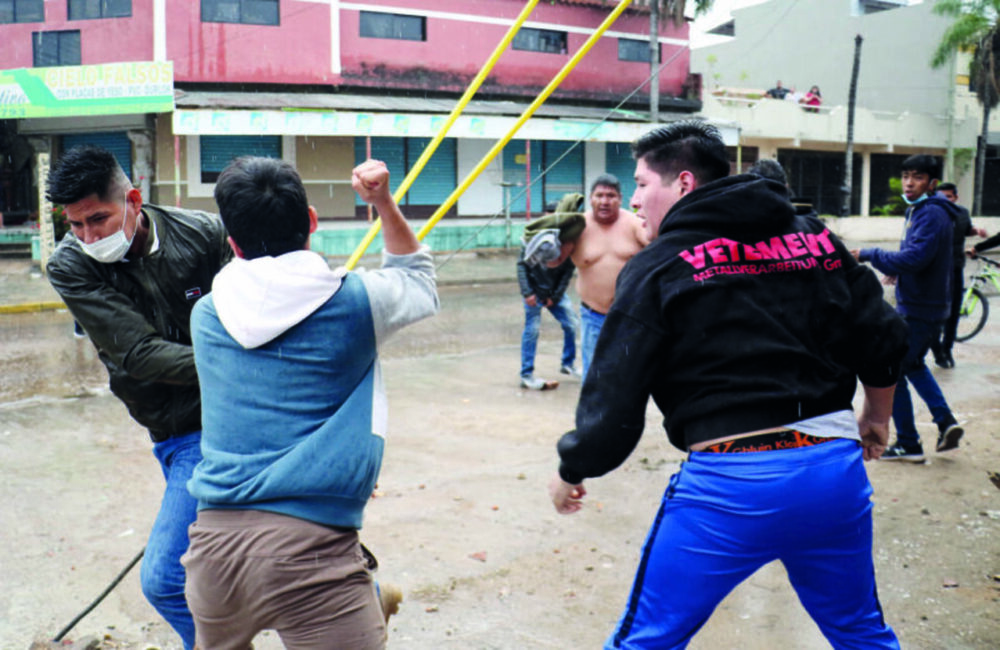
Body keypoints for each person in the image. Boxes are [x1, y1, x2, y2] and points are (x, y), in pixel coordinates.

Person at [549, 120, 907, 648]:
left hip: (729, 487)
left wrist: (575, 465)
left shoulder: (658, 266)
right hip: (832, 473)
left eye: (643, 183)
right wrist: (877, 417)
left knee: (647, 638)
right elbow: (883, 335)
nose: (636, 200)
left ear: (684, 184)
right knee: (860, 631)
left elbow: (614, 393)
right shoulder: (815, 240)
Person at [182, 157, 438, 648]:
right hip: (315, 554)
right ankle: (369, 598)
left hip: (214, 553)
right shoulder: (358, 301)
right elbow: (418, 279)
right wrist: (382, 201)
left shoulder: (207, 315)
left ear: (232, 242)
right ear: (313, 221)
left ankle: (371, 598)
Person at [45, 145, 232, 649]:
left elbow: (256, 312)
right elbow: (141, 354)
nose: (88, 237)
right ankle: (360, 598)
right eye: (75, 225)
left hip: (232, 419)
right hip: (175, 433)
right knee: (254, 544)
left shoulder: (202, 235)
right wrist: (238, 365)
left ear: (133, 199)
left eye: (98, 219)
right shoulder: (70, 265)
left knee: (168, 580)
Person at [853, 155, 965, 462]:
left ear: (932, 183)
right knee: (912, 364)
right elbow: (916, 257)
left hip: (922, 308)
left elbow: (916, 258)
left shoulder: (932, 213)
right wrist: (898, 269)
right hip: (923, 303)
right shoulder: (920, 210)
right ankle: (945, 422)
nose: (908, 183)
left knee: (894, 370)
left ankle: (908, 442)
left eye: (916, 177)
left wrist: (868, 253)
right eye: (905, 176)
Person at [526, 174, 647, 376]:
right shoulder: (577, 226)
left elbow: (661, 252)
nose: (604, 201)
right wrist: (545, 245)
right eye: (599, 195)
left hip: (631, 315)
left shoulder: (634, 224)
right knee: (594, 377)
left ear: (620, 198)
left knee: (630, 377)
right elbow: (555, 261)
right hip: (594, 316)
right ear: (591, 198)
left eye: (611, 195)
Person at [516, 200, 579, 390]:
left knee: (572, 325)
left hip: (554, 294)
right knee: (532, 331)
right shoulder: (533, 238)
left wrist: (556, 296)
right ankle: (526, 374)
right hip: (534, 294)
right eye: (548, 213)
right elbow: (522, 266)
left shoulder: (566, 241)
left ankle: (567, 364)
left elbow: (568, 271)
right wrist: (527, 293)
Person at [931, 182, 987, 368]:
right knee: (933, 315)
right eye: (940, 197)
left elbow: (966, 229)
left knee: (953, 313)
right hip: (934, 272)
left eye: (948, 196)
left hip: (955, 268)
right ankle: (936, 350)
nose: (944, 201)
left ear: (955, 197)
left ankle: (947, 349)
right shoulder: (931, 213)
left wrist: (976, 231)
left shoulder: (962, 213)